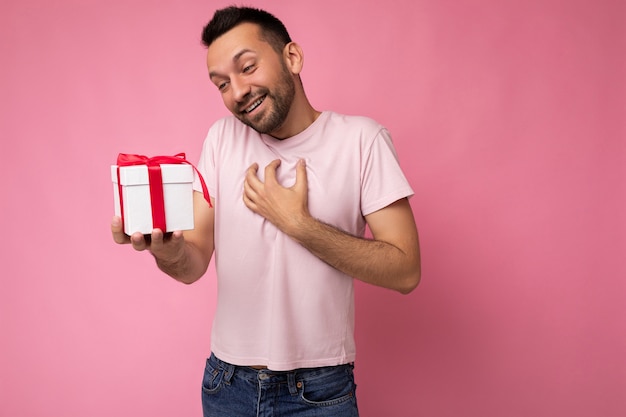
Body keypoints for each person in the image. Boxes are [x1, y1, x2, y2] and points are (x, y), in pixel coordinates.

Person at [111, 6, 421, 417]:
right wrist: (165, 250)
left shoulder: (362, 140)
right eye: (221, 83)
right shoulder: (221, 139)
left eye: (247, 67)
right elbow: (193, 263)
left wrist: (299, 224)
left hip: (320, 392)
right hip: (228, 386)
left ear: (292, 58)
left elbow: (406, 270)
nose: (236, 91)